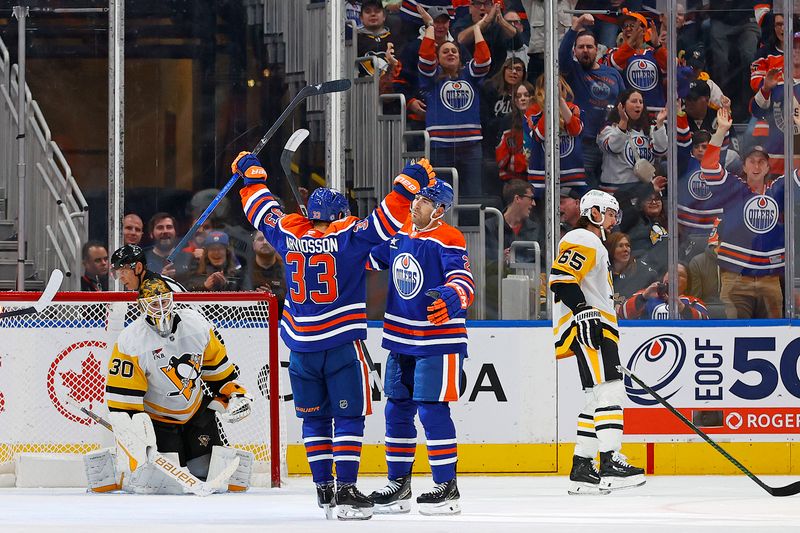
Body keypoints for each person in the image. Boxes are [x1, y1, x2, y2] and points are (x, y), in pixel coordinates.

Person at [235, 151, 434, 520]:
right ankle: (346, 490)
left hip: (300, 349)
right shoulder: (349, 236)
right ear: (340, 215)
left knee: (314, 419)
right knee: (347, 419)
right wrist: (410, 179)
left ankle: (324, 490)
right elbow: (388, 219)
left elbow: (260, 209)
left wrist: (251, 175)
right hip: (340, 345)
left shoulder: (287, 231)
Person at [85, 277, 254, 494]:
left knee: (204, 470)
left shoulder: (197, 325)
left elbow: (219, 373)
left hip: (196, 412)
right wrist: (135, 435)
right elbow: (123, 401)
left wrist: (233, 395)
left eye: (165, 301)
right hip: (158, 420)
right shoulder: (131, 341)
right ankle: (119, 471)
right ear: (142, 306)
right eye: (154, 304)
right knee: (159, 485)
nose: (162, 308)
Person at [367, 178, 474, 516]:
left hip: (438, 339)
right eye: (416, 199)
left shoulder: (448, 238)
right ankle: (398, 485)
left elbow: (464, 280)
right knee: (396, 409)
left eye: (424, 201)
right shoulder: (399, 233)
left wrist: (453, 296)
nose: (416, 204)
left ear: (439, 209)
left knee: (431, 410)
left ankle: (447, 486)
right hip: (400, 337)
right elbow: (370, 259)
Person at [548, 189, 645, 495]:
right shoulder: (584, 238)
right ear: (595, 213)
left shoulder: (592, 243)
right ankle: (610, 460)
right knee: (611, 389)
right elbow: (561, 278)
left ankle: (582, 466)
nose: (615, 220)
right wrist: (582, 310)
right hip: (591, 326)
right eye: (611, 213)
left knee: (595, 397)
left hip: (587, 323)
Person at [699, 107, 796, 319]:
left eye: (761, 161)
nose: (756, 165)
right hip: (735, 277)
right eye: (751, 161)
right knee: (734, 335)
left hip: (770, 279)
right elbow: (708, 166)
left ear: (769, 166)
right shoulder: (734, 189)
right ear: (743, 166)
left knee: (773, 337)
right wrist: (721, 131)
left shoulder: (778, 190)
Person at [419, 20, 491, 197]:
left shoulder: (469, 74)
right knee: (442, 197)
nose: (450, 53)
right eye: (445, 51)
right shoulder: (432, 76)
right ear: (438, 58)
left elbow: (484, 60)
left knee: (474, 195)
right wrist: (430, 27)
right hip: (440, 146)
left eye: (454, 51)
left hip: (471, 146)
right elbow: (425, 56)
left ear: (460, 56)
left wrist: (476, 30)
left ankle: (470, 225)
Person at [558, 15, 625, 188]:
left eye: (589, 47)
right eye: (580, 47)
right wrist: (576, 27)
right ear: (575, 51)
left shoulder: (613, 73)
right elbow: (561, 55)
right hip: (584, 143)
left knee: (609, 191)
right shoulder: (572, 70)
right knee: (588, 191)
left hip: (611, 142)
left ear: (597, 49)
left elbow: (623, 103)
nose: (585, 50)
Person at [484, 179, 543, 318]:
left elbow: (541, 259)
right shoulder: (489, 227)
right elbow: (483, 262)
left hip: (529, 287)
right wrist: (501, 260)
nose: (533, 204)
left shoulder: (536, 228)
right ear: (518, 198)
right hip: (496, 294)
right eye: (531, 199)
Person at [597, 89, 667, 196]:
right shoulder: (608, 128)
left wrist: (660, 124)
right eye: (634, 101)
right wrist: (623, 122)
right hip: (616, 190)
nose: (638, 105)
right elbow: (613, 148)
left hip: (644, 188)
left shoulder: (649, 127)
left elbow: (660, 151)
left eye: (641, 102)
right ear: (622, 105)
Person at [526, 74, 587, 196]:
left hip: (573, 176)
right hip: (542, 177)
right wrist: (550, 105)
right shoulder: (533, 112)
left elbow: (575, 131)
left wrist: (560, 102)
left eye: (559, 87)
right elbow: (539, 136)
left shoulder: (573, 108)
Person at [602, 9, 668, 115]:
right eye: (625, 26)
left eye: (633, 26)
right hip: (626, 114)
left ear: (644, 31)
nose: (628, 29)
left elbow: (672, 69)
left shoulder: (654, 52)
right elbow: (614, 63)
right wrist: (631, 42)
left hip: (654, 113)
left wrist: (657, 46)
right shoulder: (614, 52)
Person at [618, 262, 710, 320]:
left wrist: (680, 305)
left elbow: (705, 320)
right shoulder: (645, 295)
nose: (673, 276)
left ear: (687, 283)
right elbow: (622, 313)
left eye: (680, 275)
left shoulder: (692, 301)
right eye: (671, 272)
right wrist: (644, 297)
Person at [605, 231, 658, 308]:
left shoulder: (643, 272)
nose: (625, 249)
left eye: (627, 245)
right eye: (620, 246)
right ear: (611, 249)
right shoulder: (603, 272)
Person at [356, 0, 399, 95]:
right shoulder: (355, 40)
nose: (373, 14)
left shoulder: (396, 38)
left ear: (384, 16)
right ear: (361, 18)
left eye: (377, 11)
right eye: (368, 11)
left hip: (391, 93)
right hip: (363, 94)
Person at [495, 81, 535, 182]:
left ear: (533, 98)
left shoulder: (542, 120)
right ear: (515, 100)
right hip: (513, 177)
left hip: (537, 175)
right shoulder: (508, 120)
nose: (522, 99)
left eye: (526, 95)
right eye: (518, 96)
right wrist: (521, 162)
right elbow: (501, 157)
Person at [109, 244, 186, 293]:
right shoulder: (148, 284)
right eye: (118, 273)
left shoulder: (155, 287)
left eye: (123, 272)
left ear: (138, 268)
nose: (121, 278)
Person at [144, 212, 193, 280]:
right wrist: (161, 279)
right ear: (151, 234)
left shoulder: (188, 258)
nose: (165, 231)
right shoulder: (143, 260)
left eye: (169, 227)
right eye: (160, 227)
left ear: (175, 232)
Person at [248, 231, 287, 315]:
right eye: (260, 239)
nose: (265, 243)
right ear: (253, 244)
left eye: (269, 239)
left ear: (277, 244)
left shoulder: (289, 273)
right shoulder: (243, 273)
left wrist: (272, 298)